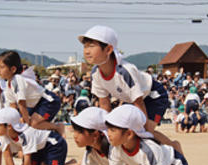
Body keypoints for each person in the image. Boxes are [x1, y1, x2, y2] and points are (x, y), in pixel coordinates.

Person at [78, 25, 182, 154]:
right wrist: (107, 129)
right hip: (131, 100)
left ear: (109, 49)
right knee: (124, 133)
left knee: (144, 133)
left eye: (92, 46)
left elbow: (139, 103)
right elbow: (104, 104)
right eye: (85, 46)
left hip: (153, 96)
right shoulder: (95, 72)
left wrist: (142, 130)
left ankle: (174, 148)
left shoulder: (125, 71)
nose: (87, 51)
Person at [0, 107, 81, 165]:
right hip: (39, 149)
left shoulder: (26, 134)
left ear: (9, 126)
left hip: (54, 144)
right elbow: (7, 155)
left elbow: (27, 157)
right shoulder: (5, 134)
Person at [0, 51, 64, 135]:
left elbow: (22, 103)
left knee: (33, 125)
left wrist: (26, 125)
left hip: (48, 102)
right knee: (27, 123)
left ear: (13, 69)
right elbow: (13, 106)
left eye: (2, 67)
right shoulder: (8, 84)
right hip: (35, 105)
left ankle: (57, 126)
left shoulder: (17, 80)